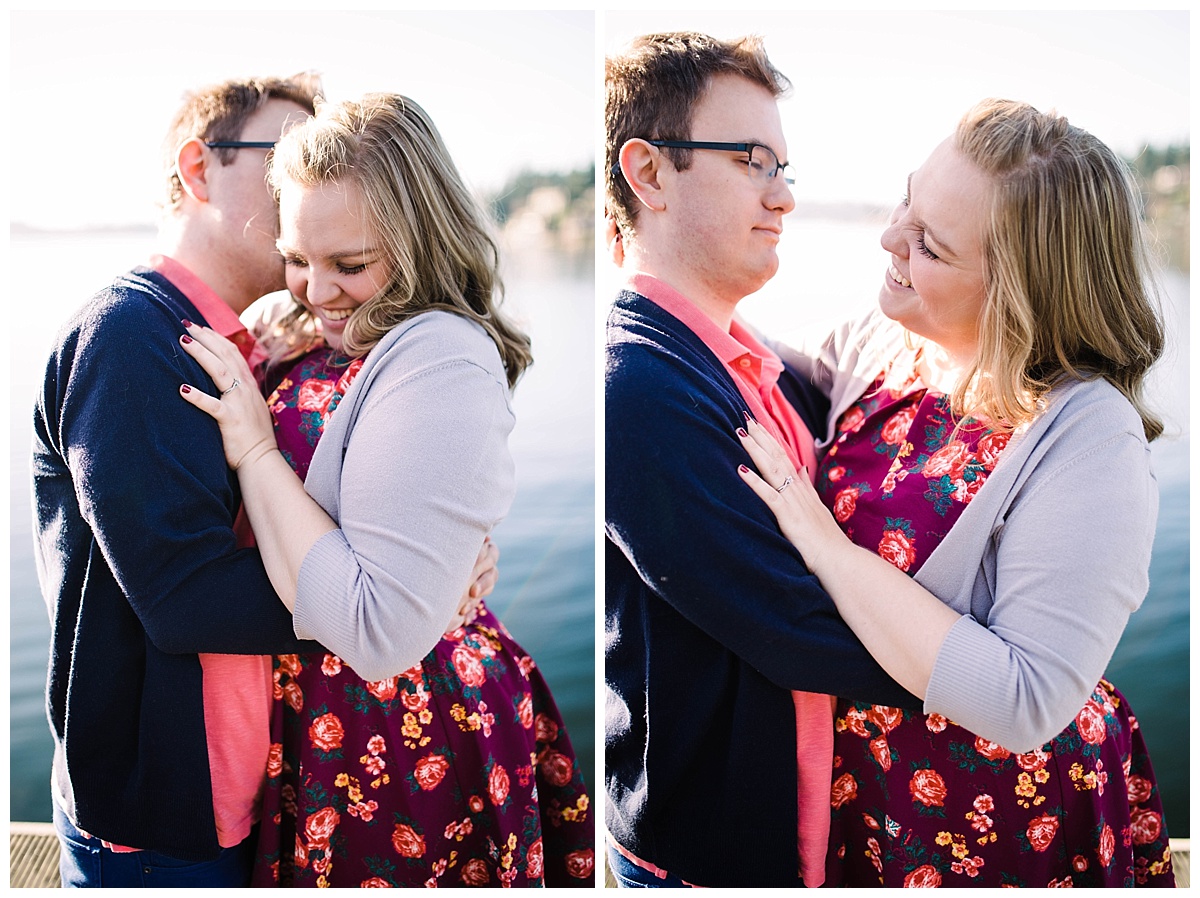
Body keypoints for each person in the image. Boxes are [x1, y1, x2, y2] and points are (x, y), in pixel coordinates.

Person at [31, 74, 497, 889]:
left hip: (261, 795)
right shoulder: (133, 337)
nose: (303, 187)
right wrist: (398, 602)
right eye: (282, 155)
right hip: (163, 822)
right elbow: (183, 597)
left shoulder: (255, 344)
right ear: (198, 169)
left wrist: (435, 555)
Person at [736, 98, 1174, 887]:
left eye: (929, 246)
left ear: (1018, 295)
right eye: (907, 199)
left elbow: (1023, 698)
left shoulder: (1088, 437)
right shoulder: (887, 341)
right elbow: (743, 364)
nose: (888, 238)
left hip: (1006, 817)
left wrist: (823, 546)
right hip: (864, 794)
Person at [176, 92, 594, 887]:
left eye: (349, 265)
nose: (315, 289)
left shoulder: (440, 354)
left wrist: (257, 452)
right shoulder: (317, 331)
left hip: (410, 734)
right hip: (320, 717)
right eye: (299, 256)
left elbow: (376, 630)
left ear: (420, 242)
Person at [603, 32, 921, 888]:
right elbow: (795, 628)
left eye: (785, 168)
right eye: (753, 161)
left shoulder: (747, 361)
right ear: (649, 174)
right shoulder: (636, 387)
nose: (783, 198)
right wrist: (1011, 676)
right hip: (707, 857)